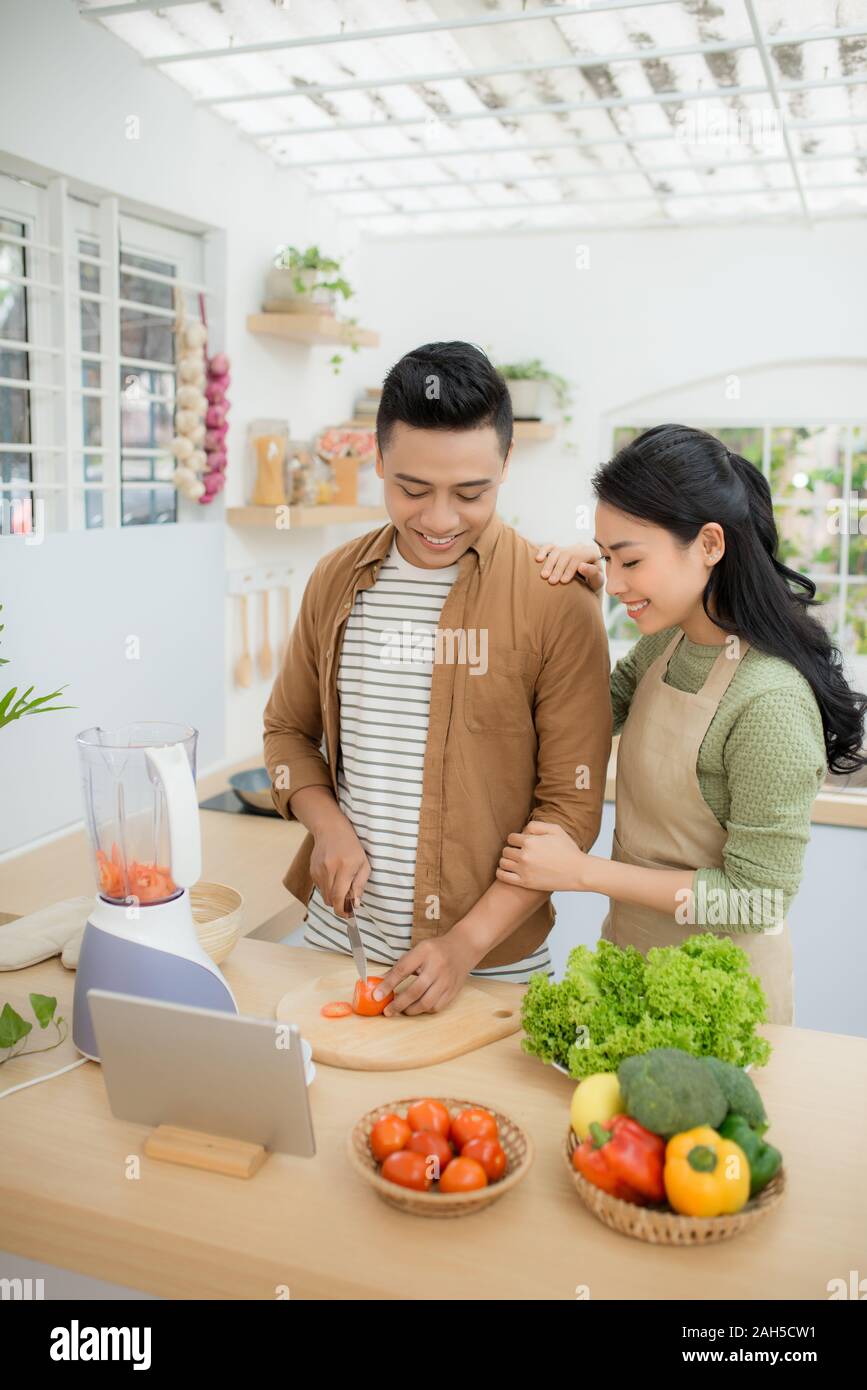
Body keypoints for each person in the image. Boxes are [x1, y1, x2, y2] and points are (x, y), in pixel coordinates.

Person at [263, 342, 611, 1015]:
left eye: (470, 493)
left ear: (506, 464)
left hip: (491, 972)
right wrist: (326, 822)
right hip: (336, 944)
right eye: (411, 489)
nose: (439, 520)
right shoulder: (335, 580)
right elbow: (285, 732)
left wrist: (464, 945)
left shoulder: (555, 601)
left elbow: (568, 811)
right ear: (378, 459)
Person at [497, 424, 867, 1024]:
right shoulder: (665, 644)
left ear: (710, 545)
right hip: (633, 968)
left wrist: (582, 872)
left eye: (631, 559)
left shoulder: (769, 701)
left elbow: (759, 898)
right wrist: (573, 606)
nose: (615, 582)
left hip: (722, 1005)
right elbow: (577, 716)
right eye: (605, 555)